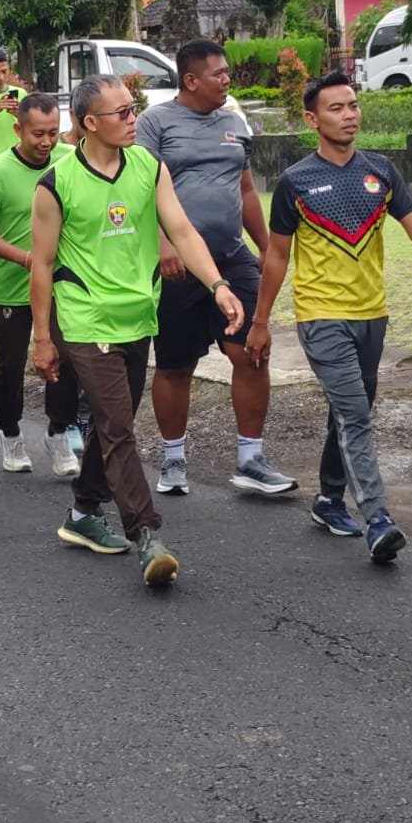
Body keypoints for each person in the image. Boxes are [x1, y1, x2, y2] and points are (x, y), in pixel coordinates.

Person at [248, 72, 412, 563]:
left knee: (349, 411)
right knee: (355, 414)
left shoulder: (382, 171)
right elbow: (277, 257)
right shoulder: (295, 182)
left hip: (373, 314)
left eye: (353, 105)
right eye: (336, 108)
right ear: (312, 119)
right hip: (321, 316)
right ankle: (378, 518)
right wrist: (261, 321)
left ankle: (328, 500)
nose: (349, 115)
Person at [29, 74, 245, 588]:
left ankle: (83, 512)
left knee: (112, 423)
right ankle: (147, 534)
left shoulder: (149, 166)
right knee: (119, 426)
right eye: (122, 112)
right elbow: (42, 265)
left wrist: (217, 284)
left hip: (137, 315)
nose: (134, 119)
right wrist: (43, 337)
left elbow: (182, 230)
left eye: (134, 108)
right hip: (85, 318)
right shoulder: (56, 184)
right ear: (89, 123)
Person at [137, 39, 298, 498]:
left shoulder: (233, 122)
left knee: (250, 352)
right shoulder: (155, 123)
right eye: (219, 73)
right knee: (176, 365)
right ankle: (173, 458)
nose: (228, 79)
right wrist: (163, 244)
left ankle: (251, 460)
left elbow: (245, 189)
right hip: (176, 265)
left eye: (227, 72)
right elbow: (140, 188)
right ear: (190, 80)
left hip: (231, 256)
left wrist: (265, 246)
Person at [0, 92, 80, 478]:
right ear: (18, 130)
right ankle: (10, 431)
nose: (46, 142)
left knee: (67, 358)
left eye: (52, 133)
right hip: (12, 286)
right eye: (37, 134)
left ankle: (58, 432)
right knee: (10, 365)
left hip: (60, 283)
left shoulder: (70, 160)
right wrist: (25, 258)